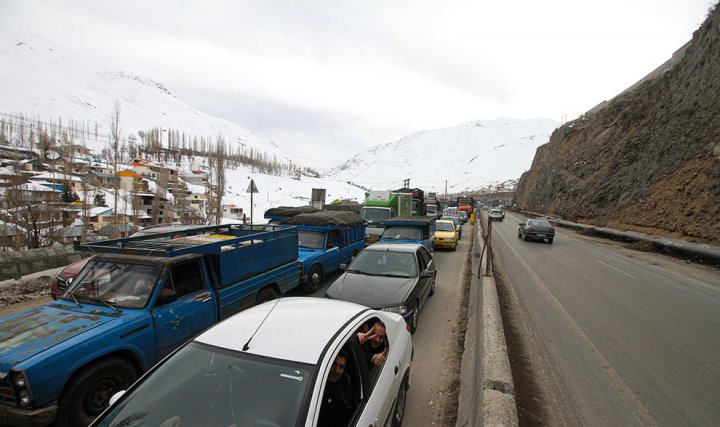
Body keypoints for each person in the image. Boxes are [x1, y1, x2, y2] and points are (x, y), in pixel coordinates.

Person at [317, 353, 354, 427]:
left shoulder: (342, 396)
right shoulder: (315, 382)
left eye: (341, 367)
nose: (336, 370)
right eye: (334, 364)